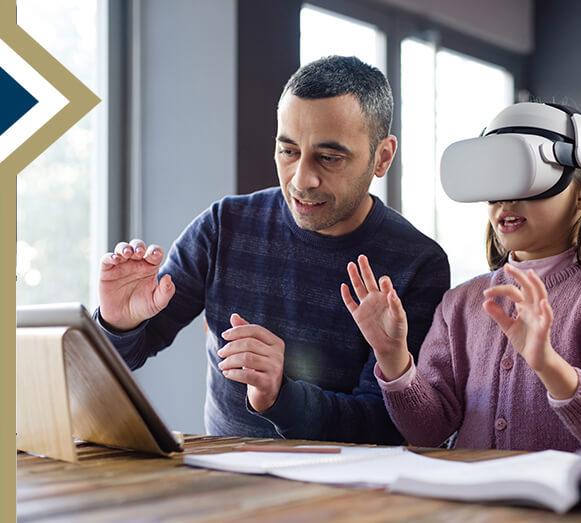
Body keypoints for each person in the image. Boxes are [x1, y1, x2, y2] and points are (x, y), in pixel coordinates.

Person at [95, 56, 450, 444]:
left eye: (329, 158)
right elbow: (126, 355)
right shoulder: (223, 226)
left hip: (348, 494)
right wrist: (118, 323)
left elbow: (387, 424)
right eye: (288, 151)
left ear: (382, 156)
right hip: (228, 479)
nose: (302, 179)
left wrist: (281, 397)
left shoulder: (417, 263)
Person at [341, 102, 581, 451]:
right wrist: (393, 358)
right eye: (495, 181)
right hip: (475, 496)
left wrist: (549, 365)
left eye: (523, 180)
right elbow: (427, 433)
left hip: (570, 501)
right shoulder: (461, 303)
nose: (504, 202)